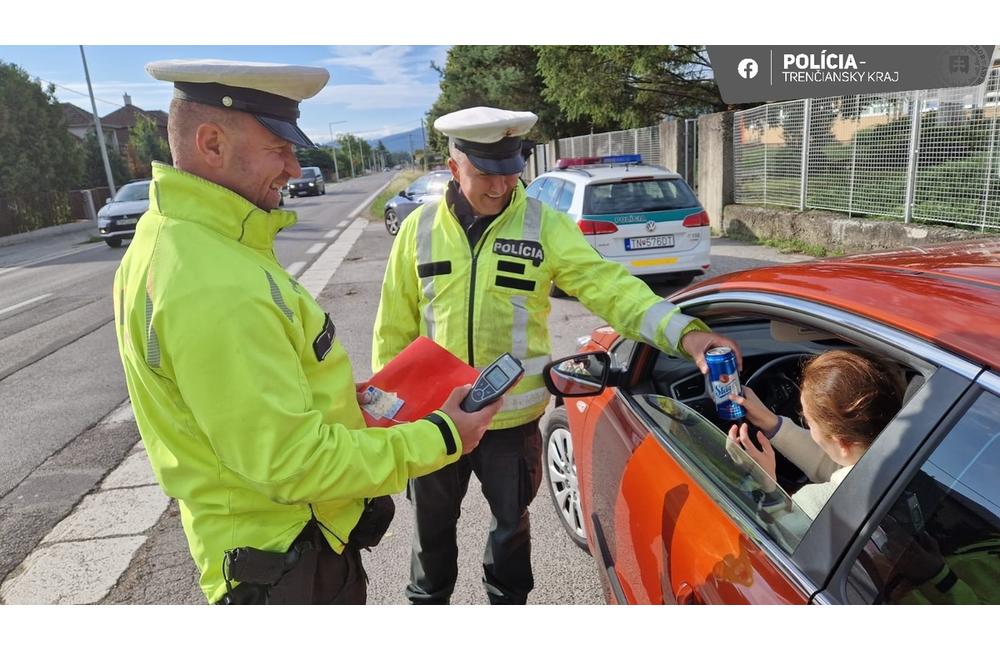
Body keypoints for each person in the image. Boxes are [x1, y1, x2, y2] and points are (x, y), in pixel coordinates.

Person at [112, 60, 501, 605]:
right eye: (278, 149)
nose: (294, 168)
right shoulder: (211, 280)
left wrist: (336, 400)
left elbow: (256, 399)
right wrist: (444, 434)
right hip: (287, 564)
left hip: (281, 551)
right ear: (211, 143)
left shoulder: (194, 241)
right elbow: (292, 463)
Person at [372, 105, 743, 605]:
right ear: (453, 166)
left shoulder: (543, 225)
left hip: (509, 422)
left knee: (510, 531)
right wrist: (388, 416)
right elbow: (393, 329)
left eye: (509, 171)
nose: (500, 187)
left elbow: (611, 288)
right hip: (433, 421)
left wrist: (686, 334)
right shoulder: (418, 229)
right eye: (485, 174)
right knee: (430, 531)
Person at [727, 349, 905, 518]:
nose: (807, 426)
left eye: (808, 422)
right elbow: (840, 466)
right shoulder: (904, 452)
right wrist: (772, 423)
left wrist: (764, 483)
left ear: (842, 442)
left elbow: (777, 530)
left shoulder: (816, 505)